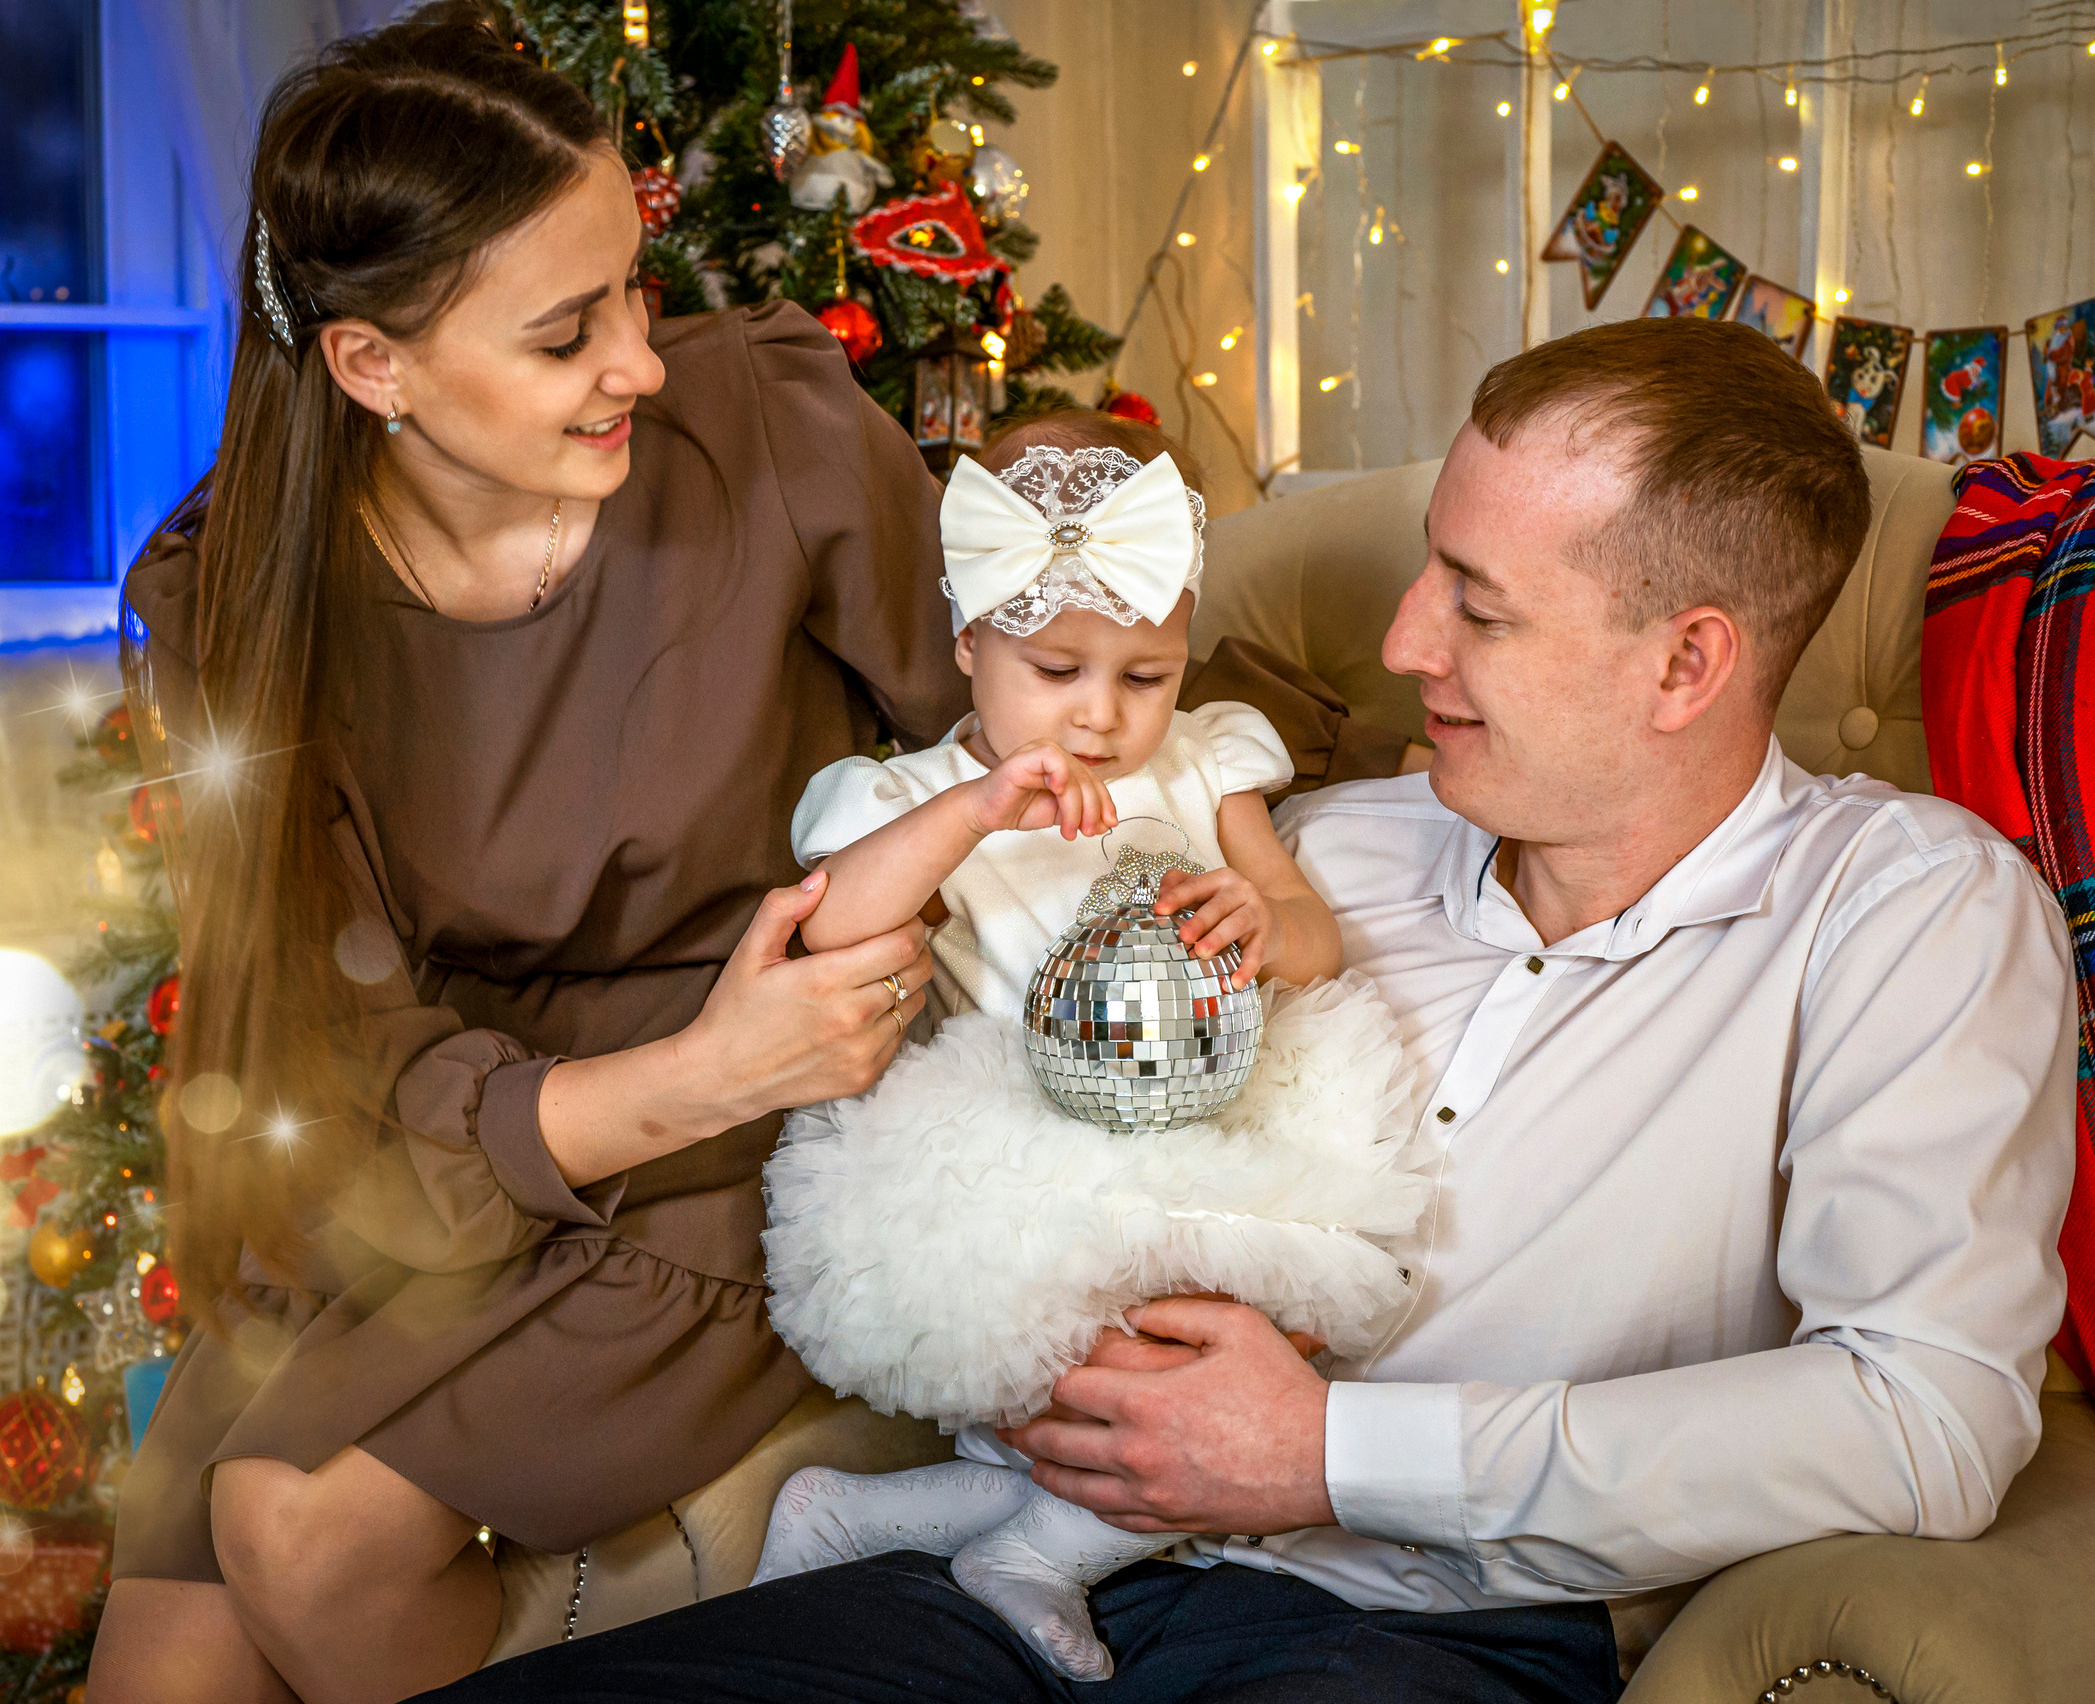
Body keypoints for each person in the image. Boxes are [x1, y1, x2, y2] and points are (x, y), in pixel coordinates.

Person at [421, 315, 2077, 1703]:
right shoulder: (1320, 846)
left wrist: (1329, 1448)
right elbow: (1025, 1099)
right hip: (1006, 1573)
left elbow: (1926, 1416)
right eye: (1429, 563)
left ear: (1685, 663)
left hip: (1431, 1629)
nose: (1400, 637)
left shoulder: (1906, 909)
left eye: (1478, 604)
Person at [87, 15, 1412, 1701]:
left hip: (776, 1131)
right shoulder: (241, 607)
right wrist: (687, 1069)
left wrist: (1266, 859)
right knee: (161, 1668)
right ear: (372, 367)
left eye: (633, 289)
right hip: (468, 1145)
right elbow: (330, 1048)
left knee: (303, 1528)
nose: (639, 356)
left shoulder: (762, 436)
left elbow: (1036, 721)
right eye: (568, 333)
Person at [746, 415, 1425, 1681]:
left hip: (1203, 1114)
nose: (1105, 717)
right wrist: (974, 809)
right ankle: (1026, 1548)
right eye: (1056, 671)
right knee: (1112, 1372)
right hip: (1014, 1134)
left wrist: (1261, 921)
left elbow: (1313, 937)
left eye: (1145, 674)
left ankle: (904, 1523)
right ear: (967, 646)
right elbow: (833, 919)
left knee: (1248, 1353)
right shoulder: (908, 803)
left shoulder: (1204, 765)